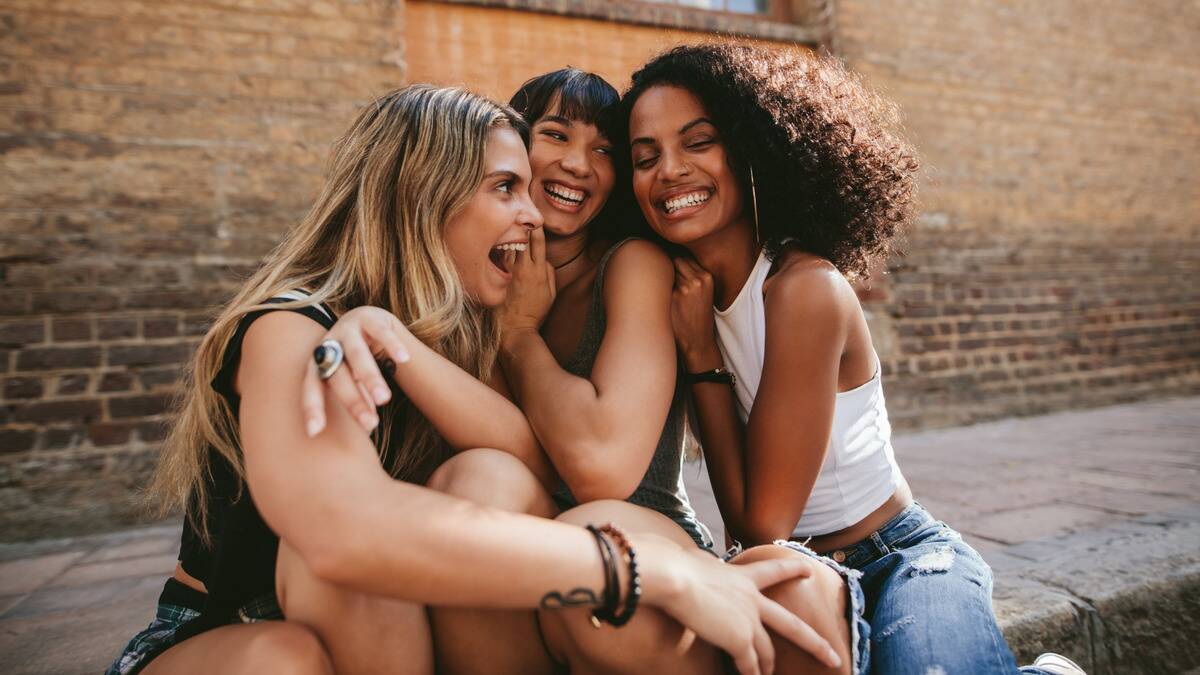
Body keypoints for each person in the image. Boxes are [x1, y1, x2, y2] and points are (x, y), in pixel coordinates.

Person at [105, 83, 837, 675]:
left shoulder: (446, 330)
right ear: (425, 193)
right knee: (290, 653)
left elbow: (532, 465)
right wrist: (654, 573)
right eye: (506, 187)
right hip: (237, 626)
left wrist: (403, 345)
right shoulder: (290, 328)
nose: (533, 212)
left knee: (486, 473)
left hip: (373, 632)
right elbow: (343, 537)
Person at [307, 70, 851, 674]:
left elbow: (603, 469)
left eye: (604, 151)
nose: (578, 165)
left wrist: (517, 337)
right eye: (555, 136)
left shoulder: (632, 265)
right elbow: (512, 453)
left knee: (542, 509)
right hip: (534, 531)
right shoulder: (477, 273)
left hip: (637, 529)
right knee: (477, 481)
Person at [623, 42, 1082, 675]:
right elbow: (751, 537)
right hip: (800, 572)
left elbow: (760, 524)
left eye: (698, 142)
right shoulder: (683, 296)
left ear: (755, 149)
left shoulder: (802, 288)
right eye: (645, 157)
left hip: (900, 558)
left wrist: (702, 357)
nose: (668, 170)